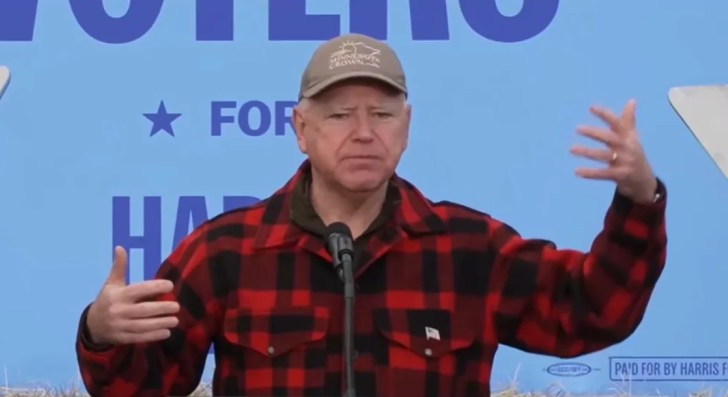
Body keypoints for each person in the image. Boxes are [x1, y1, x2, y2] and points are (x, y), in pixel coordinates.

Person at [75, 33, 668, 397]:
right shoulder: (223, 253)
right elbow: (140, 388)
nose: (363, 133)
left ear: (406, 129)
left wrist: (639, 202)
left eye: (382, 115)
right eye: (339, 116)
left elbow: (594, 312)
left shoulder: (470, 249)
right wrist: (102, 334)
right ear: (300, 131)